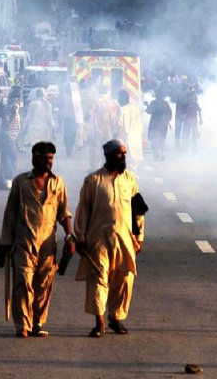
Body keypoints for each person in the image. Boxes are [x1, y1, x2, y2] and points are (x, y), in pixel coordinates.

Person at [0, 141, 74, 338]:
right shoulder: (21, 182)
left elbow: (64, 213)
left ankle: (37, 322)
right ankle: (23, 325)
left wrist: (70, 236)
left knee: (43, 285)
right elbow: (10, 214)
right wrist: (4, 243)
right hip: (23, 243)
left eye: (50, 159)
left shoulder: (58, 183)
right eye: (44, 158)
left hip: (48, 244)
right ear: (33, 158)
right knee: (23, 282)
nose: (48, 163)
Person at [74, 139, 147, 338]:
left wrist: (139, 236)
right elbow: (83, 211)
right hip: (98, 239)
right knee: (98, 278)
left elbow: (138, 211)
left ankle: (116, 318)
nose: (123, 156)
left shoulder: (130, 180)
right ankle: (99, 322)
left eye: (124, 153)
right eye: (118, 153)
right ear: (107, 156)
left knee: (124, 279)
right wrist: (80, 237)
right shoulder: (93, 180)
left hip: (125, 239)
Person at [88, 86, 120, 170]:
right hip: (110, 129)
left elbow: (93, 118)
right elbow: (117, 117)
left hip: (100, 129)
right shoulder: (113, 103)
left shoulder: (97, 103)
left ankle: (98, 167)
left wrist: (96, 129)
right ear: (107, 92)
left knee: (98, 148)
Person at [0, 86, 23, 190]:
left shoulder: (12, 107)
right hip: (8, 137)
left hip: (10, 137)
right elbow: (7, 122)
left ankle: (2, 182)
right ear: (17, 98)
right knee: (11, 158)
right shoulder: (12, 107)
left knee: (5, 158)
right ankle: (8, 180)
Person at [117, 89, 143, 168]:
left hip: (126, 138)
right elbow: (140, 123)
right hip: (136, 137)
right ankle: (133, 173)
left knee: (126, 158)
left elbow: (120, 125)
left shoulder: (122, 110)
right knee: (134, 159)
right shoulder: (135, 108)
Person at [145, 92, 172, 161]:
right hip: (163, 125)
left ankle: (156, 155)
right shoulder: (165, 103)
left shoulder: (153, 103)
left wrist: (147, 105)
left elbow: (149, 111)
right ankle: (162, 154)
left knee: (154, 140)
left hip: (154, 125)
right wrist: (166, 120)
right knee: (162, 140)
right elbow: (169, 114)